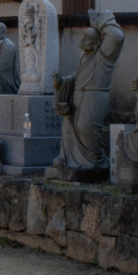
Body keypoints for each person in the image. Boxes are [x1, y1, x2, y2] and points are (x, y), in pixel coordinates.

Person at [51, 9, 125, 170]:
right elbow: (76, 77)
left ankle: (96, 160)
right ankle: (69, 160)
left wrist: (105, 20)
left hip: (95, 95)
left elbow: (116, 37)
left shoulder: (104, 57)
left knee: (85, 127)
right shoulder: (84, 56)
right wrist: (61, 82)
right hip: (78, 95)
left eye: (87, 38)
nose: (82, 40)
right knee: (69, 127)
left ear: (98, 43)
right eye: (83, 37)